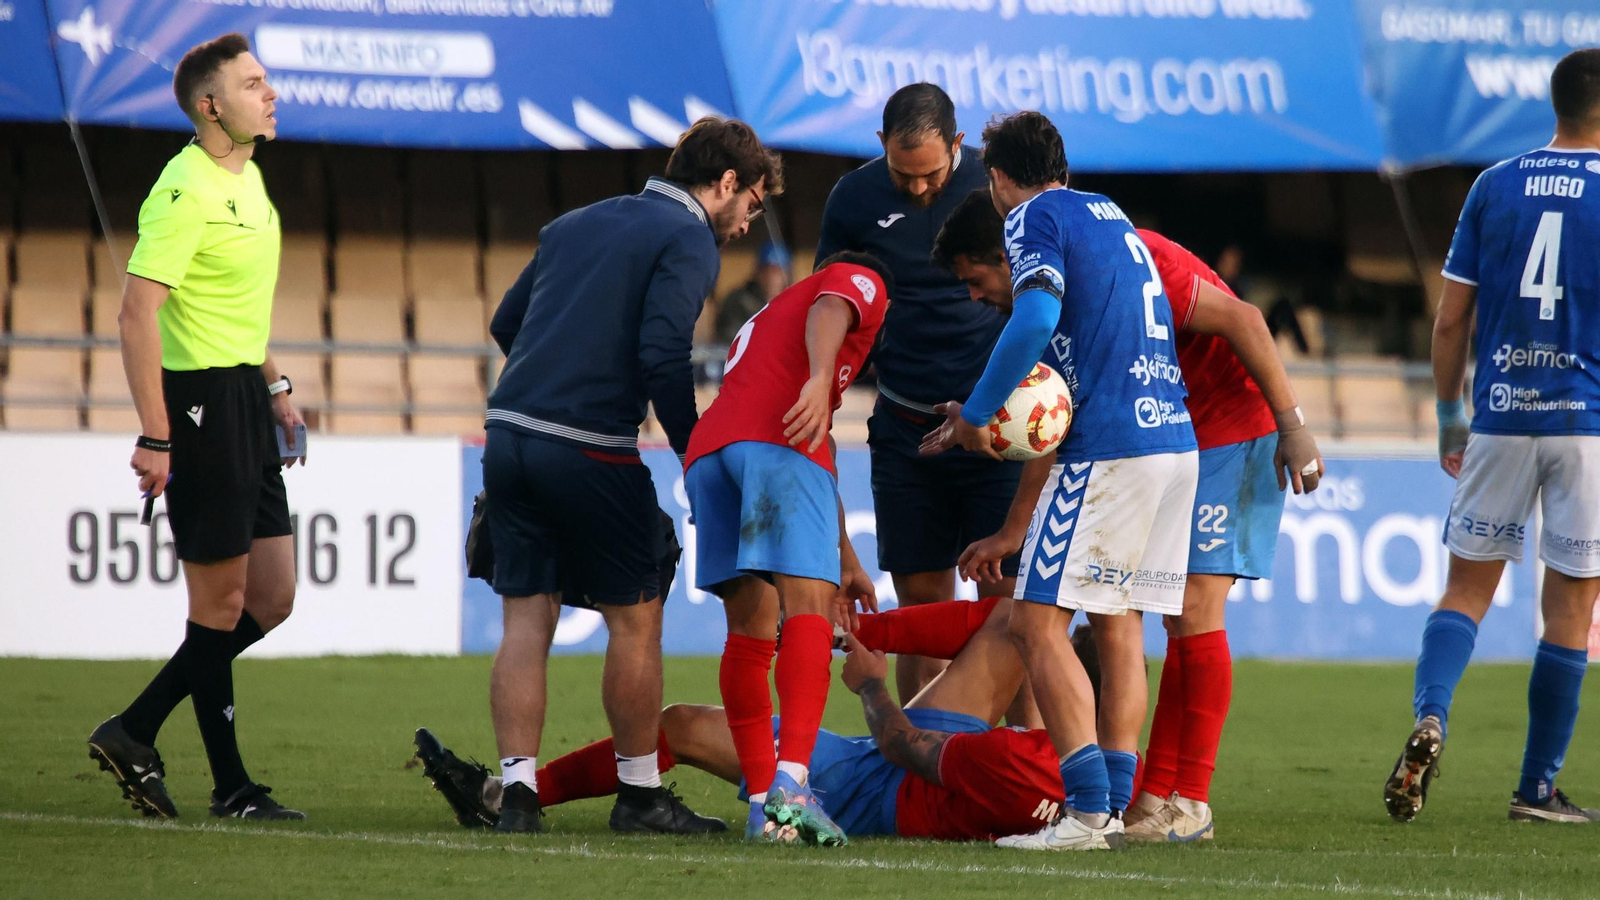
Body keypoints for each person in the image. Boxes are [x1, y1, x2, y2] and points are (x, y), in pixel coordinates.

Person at [931, 191, 1326, 841]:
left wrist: (1294, 425)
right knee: (1147, 616)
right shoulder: (1068, 291)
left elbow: (1248, 320)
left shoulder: (1128, 260)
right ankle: (1148, 800)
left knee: (1194, 609)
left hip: (1231, 424)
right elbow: (1059, 424)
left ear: (1009, 257)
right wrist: (1014, 529)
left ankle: (1188, 798)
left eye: (976, 281)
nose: (976, 299)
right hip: (1173, 438)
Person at [482, 117, 779, 834]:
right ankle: (640, 795)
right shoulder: (687, 237)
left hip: (509, 435)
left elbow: (505, 323)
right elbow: (662, 354)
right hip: (589, 446)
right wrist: (695, 454)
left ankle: (517, 792)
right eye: (753, 204)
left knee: (527, 616)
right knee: (636, 618)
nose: (746, 224)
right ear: (727, 182)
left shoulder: (575, 222)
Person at [922, 112, 1198, 851]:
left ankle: (1085, 813)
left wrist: (978, 412)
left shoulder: (1032, 215)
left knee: (1033, 622)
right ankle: (1118, 801)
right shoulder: (1110, 213)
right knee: (1119, 623)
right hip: (1173, 439)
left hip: (1112, 443)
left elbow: (1036, 312)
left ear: (1000, 179)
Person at [87, 33, 307, 821]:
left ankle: (135, 728)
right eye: (253, 84)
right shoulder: (184, 190)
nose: (270, 93)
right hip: (199, 408)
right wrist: (156, 434)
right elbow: (136, 312)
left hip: (244, 398)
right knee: (218, 608)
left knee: (273, 596)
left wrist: (274, 381)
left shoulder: (249, 181)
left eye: (267, 80)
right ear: (212, 106)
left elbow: (233, 304)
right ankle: (231, 786)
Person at [1383, 47, 1600, 826]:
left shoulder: (1493, 183)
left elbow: (1450, 318)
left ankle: (1432, 713)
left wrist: (1450, 415)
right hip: (1587, 423)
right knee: (1570, 613)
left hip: (1501, 415)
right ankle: (1537, 789)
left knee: (1465, 591)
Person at [413, 597, 1076, 843]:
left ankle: (503, 797)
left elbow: (898, 744)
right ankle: (851, 627)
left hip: (886, 786)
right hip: (957, 756)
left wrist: (873, 685)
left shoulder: (1010, 762)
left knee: (674, 726)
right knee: (1013, 618)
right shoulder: (1101, 781)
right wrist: (862, 633)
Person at [816, 83, 1021, 705]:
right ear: (880, 145)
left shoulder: (1002, 185)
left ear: (960, 145)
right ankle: (922, 770)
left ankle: (1030, 764)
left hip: (999, 431)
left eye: (930, 174)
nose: (918, 188)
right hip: (906, 429)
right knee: (922, 610)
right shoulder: (852, 196)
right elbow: (828, 299)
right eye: (903, 174)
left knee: (1012, 611)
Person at [683, 253, 890, 844]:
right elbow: (834, 306)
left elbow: (817, 454)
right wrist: (823, 376)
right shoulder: (859, 282)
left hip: (712, 454)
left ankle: (761, 806)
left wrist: (845, 555)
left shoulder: (773, 316)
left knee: (749, 632)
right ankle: (793, 784)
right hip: (776, 443)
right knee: (807, 612)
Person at [714, 239, 791, 343]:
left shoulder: (793, 303)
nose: (770, 278)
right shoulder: (738, 301)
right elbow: (729, 336)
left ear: (786, 274)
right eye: (765, 271)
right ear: (757, 273)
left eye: (776, 271)